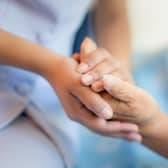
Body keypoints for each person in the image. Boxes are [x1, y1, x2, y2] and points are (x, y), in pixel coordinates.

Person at [0, 1, 140, 168]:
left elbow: (113, 17)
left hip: (43, 106)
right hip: (56, 77)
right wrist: (51, 66)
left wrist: (116, 78)